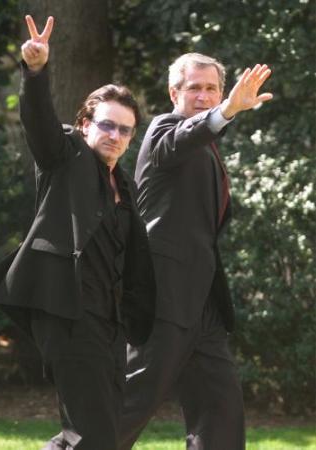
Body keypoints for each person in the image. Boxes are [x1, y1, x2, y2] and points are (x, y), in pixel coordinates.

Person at [0, 15, 155, 450]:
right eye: (107, 125)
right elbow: (38, 122)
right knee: (94, 432)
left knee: (100, 430)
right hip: (67, 312)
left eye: (124, 129)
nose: (115, 135)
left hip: (108, 322)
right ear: (86, 124)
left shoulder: (124, 184)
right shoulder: (66, 155)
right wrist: (35, 72)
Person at [120, 53, 273, 450]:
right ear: (175, 92)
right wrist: (226, 111)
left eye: (212, 89)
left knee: (220, 413)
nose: (204, 96)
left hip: (202, 305)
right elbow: (184, 139)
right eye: (194, 88)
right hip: (163, 299)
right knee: (126, 407)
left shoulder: (206, 147)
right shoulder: (162, 130)